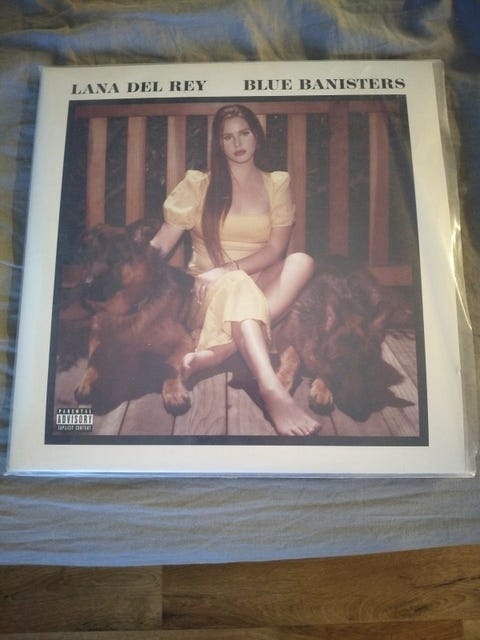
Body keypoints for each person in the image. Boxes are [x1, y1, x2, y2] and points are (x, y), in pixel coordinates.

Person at [149, 104, 319, 436]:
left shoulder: (276, 184)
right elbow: (161, 244)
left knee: (302, 261)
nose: (237, 143)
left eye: (244, 133)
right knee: (238, 282)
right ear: (219, 143)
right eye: (228, 137)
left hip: (255, 285)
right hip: (205, 294)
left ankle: (219, 352)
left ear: (256, 136)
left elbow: (276, 249)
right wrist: (127, 261)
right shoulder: (199, 185)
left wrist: (227, 269)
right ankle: (271, 391)